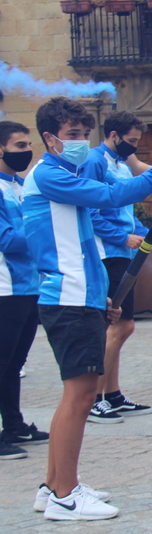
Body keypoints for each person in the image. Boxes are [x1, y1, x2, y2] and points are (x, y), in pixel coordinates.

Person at [23, 97, 152, 519]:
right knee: (81, 395)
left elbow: (86, 243)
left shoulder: (65, 174)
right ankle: (65, 494)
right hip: (67, 296)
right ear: (49, 137)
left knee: (77, 394)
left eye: (84, 134)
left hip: (80, 293)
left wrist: (100, 294)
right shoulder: (48, 174)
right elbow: (110, 196)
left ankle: (53, 485)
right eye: (72, 135)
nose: (80, 142)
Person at [80, 112, 152, 423]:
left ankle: (112, 394)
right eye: (131, 140)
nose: (134, 146)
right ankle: (95, 398)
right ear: (113, 135)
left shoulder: (121, 165)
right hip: (106, 253)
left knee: (122, 326)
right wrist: (123, 238)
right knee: (116, 326)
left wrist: (148, 234)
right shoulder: (94, 161)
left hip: (122, 252)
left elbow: (126, 212)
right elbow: (90, 211)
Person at [0, 121, 46, 460]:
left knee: (15, 362)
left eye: (28, 145)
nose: (27, 151)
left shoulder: (21, 186)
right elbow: (7, 240)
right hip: (5, 287)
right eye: (19, 146)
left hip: (29, 286)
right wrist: (43, 231)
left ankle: (14, 425)